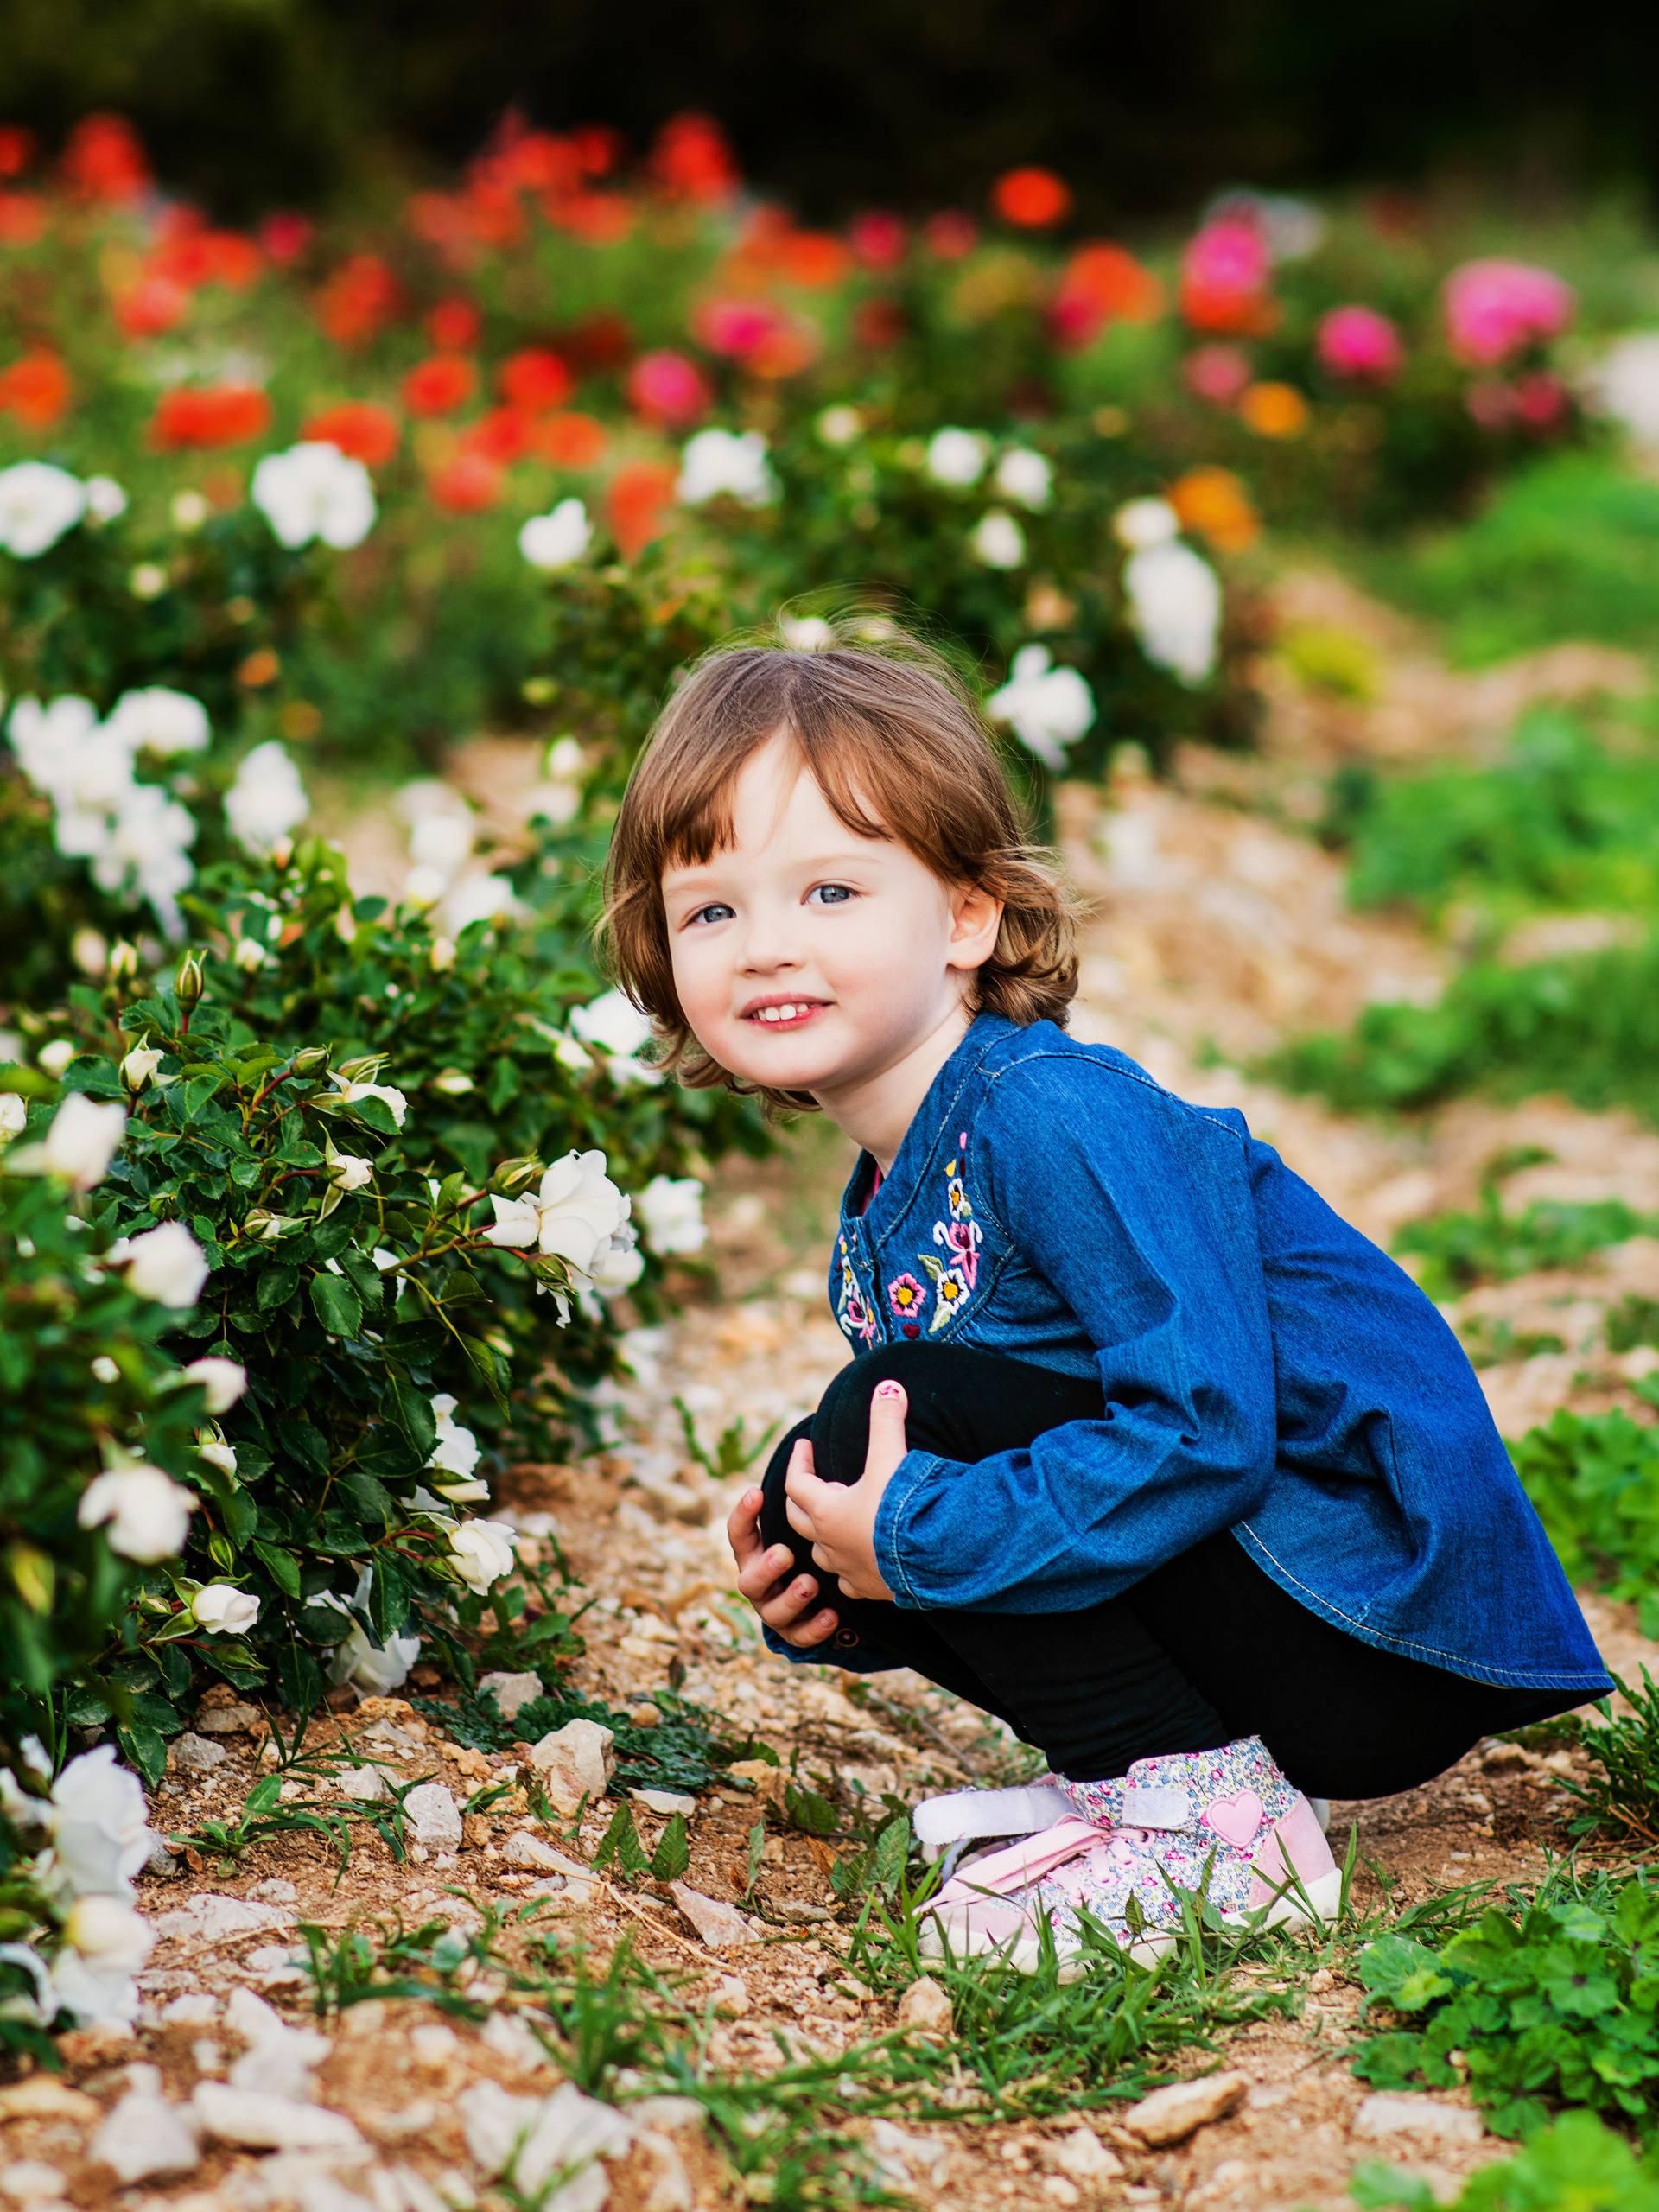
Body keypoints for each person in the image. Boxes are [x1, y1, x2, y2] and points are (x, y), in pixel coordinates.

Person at [601, 627, 1611, 1963]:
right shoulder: (893, 1181)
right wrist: (839, 1583)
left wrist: (913, 1534)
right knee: (830, 1477)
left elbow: (1208, 1428)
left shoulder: (1049, 1117)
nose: (767, 945)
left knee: (886, 1426)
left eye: (831, 892)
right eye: (712, 910)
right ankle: (1138, 1780)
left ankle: (1214, 1837)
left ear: (969, 916)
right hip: (1279, 1607)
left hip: (1369, 1612)